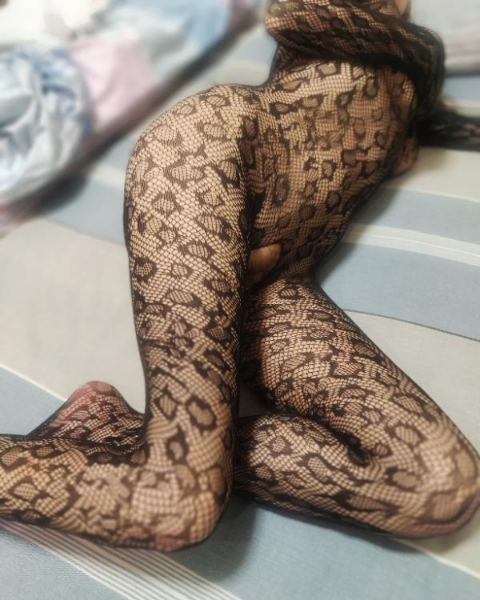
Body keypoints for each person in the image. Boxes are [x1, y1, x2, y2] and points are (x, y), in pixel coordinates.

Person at [1, 0, 479, 551]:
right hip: (207, 159)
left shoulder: (409, 82)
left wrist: (423, 69)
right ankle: (167, 457)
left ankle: (107, 427)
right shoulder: (348, 22)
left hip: (280, 284)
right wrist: (423, 49)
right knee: (174, 502)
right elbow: (286, 16)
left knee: (440, 488)